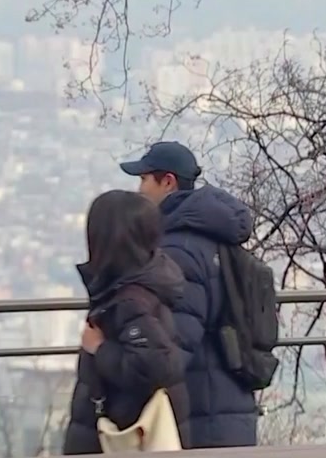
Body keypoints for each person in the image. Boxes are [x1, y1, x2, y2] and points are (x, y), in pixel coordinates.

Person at [120, 141, 259, 448]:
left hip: (203, 417)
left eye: (144, 179)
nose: (139, 189)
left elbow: (175, 346)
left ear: (167, 182)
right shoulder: (215, 238)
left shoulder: (180, 249)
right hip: (230, 405)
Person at [62, 190, 191, 455]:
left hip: (124, 434)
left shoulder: (128, 300)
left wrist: (99, 349)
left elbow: (154, 366)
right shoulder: (142, 286)